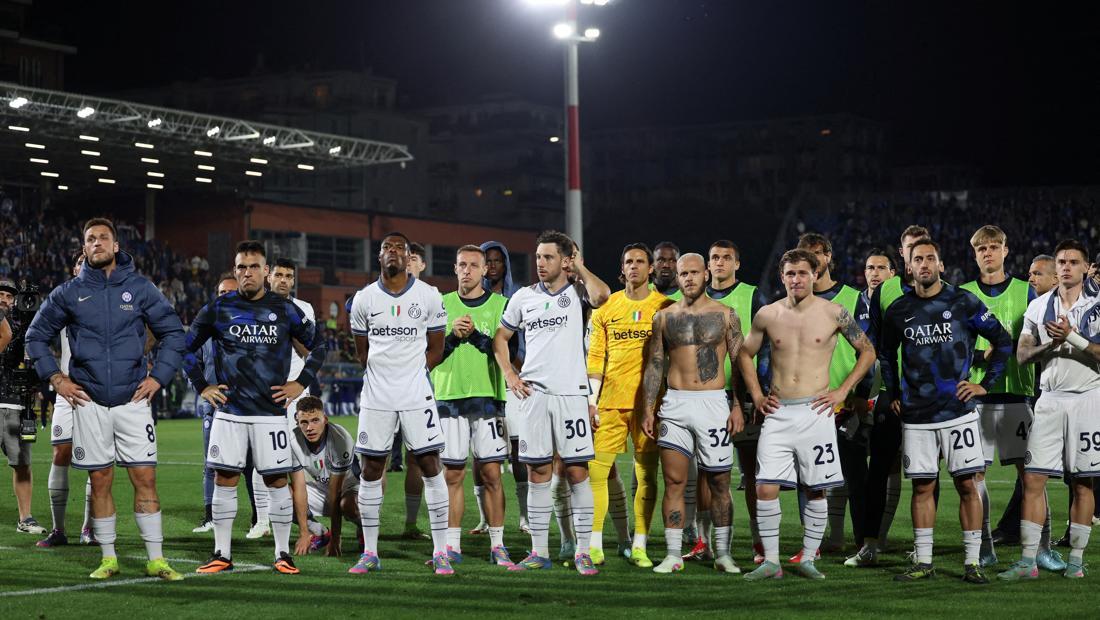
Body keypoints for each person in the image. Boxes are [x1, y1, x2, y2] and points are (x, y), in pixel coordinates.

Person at [25, 217, 186, 581]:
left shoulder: (141, 288)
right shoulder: (68, 292)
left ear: (116, 246)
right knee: (100, 480)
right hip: (89, 401)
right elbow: (35, 337)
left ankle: (157, 559)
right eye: (90, 239)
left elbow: (174, 333)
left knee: (145, 479)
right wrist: (56, 378)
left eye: (103, 237)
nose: (96, 242)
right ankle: (108, 558)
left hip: (133, 400)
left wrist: (158, 377)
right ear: (84, 249)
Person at [184, 240, 326, 576]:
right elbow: (184, 347)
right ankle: (221, 553)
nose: (247, 273)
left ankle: (282, 553)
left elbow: (319, 346)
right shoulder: (219, 308)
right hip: (230, 413)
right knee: (225, 478)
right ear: (236, 271)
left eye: (254, 267)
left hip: (270, 414)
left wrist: (300, 383)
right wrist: (202, 386)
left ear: (265, 271)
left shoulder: (285, 309)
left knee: (276, 481)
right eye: (241, 267)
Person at [880, 237, 1012, 584]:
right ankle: (924, 562)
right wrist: (893, 393)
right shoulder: (898, 310)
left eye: (930, 258)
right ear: (909, 267)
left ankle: (972, 563)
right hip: (917, 417)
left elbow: (1002, 341)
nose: (924, 264)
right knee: (922, 488)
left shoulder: (963, 301)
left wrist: (986, 385)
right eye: (917, 259)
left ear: (940, 265)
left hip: (958, 412)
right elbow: (886, 355)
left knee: (968, 485)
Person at [740, 248, 876, 581]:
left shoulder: (835, 312)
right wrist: (756, 395)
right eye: (790, 273)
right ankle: (771, 562)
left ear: (815, 275)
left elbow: (868, 351)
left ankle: (809, 558)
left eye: (802, 273)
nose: (796, 279)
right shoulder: (768, 314)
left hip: (816, 413)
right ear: (782, 277)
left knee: (816, 489)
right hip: (778, 413)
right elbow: (743, 353)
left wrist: (842, 391)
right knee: (765, 487)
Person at [492, 230, 611, 575]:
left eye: (548, 257)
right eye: (538, 257)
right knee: (538, 471)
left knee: (577, 472)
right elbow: (501, 338)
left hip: (572, 395)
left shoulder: (578, 292)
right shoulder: (523, 297)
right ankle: (539, 551)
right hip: (534, 396)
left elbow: (603, 296)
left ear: (565, 260)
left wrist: (580, 267)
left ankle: (583, 551)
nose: (540, 263)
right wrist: (510, 374)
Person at [346, 233, 452, 575]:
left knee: (430, 465)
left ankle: (441, 552)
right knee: (371, 469)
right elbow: (361, 352)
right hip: (377, 395)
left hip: (416, 393)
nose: (392, 252)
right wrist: (384, 376)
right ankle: (370, 552)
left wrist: (415, 373)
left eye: (399, 248)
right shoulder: (364, 299)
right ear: (379, 256)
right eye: (386, 248)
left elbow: (437, 347)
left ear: (409, 258)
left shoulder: (429, 295)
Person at [960, 226, 1063, 570]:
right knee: (974, 476)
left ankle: (1043, 548)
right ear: (974, 254)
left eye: (994, 247)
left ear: (1005, 250)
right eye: (981, 249)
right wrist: (981, 356)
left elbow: (1042, 341)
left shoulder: (1027, 292)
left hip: (1018, 394)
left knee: (1031, 476)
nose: (988, 253)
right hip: (976, 398)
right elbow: (954, 347)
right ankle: (985, 547)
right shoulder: (963, 294)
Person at [1000, 239, 1100, 581]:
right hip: (1050, 398)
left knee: (1083, 481)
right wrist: (1052, 344)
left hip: (1088, 398)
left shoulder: (1098, 304)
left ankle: (1076, 561)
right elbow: (1023, 356)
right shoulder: (1039, 306)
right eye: (1061, 262)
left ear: (1085, 268)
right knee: (1033, 478)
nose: (1066, 267)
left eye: (1073, 262)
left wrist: (1072, 337)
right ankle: (1028, 561)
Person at [640, 252, 744, 574]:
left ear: (706, 275)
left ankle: (723, 554)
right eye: (683, 274)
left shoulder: (726, 315)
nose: (688, 278)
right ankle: (673, 554)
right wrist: (648, 409)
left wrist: (738, 405)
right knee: (674, 481)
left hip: (714, 403)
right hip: (675, 404)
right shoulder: (664, 317)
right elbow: (655, 364)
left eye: (694, 273)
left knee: (720, 482)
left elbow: (740, 363)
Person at [672, 240, 770, 563]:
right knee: (705, 472)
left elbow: (763, 347)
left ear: (737, 264)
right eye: (714, 257)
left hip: (741, 397)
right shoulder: (690, 299)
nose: (719, 263)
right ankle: (704, 542)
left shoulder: (752, 296)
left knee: (752, 471)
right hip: (702, 398)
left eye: (727, 258)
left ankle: (758, 542)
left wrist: (757, 392)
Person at [848, 225, 930, 567]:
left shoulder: (947, 294)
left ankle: (923, 548)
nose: (917, 257)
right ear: (903, 254)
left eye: (923, 252)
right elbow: (876, 347)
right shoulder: (885, 292)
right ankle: (870, 544)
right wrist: (870, 390)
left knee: (927, 474)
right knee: (878, 468)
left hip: (928, 398)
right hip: (890, 395)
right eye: (911, 250)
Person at [587, 242, 670, 567]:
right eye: (628, 262)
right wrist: (591, 400)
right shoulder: (606, 307)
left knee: (647, 476)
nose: (634, 266)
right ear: (622, 269)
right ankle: (594, 544)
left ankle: (640, 545)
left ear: (651, 268)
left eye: (639, 261)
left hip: (650, 406)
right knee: (597, 472)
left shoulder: (665, 306)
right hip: (610, 402)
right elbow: (596, 358)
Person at [431, 245, 513, 566]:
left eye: (473, 265)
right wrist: (452, 336)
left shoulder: (501, 305)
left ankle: (498, 545)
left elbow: (508, 351)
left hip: (488, 399)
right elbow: (430, 355)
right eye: (461, 265)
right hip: (449, 398)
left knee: (491, 474)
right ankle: (452, 546)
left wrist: (477, 336)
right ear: (455, 269)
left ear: (485, 270)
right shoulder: (441, 305)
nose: (467, 270)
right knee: (452, 474)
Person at [797, 233, 869, 557]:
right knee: (809, 475)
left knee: (855, 475)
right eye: (805, 254)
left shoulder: (853, 298)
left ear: (828, 256)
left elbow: (869, 349)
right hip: (808, 403)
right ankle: (814, 542)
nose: (812, 259)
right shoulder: (796, 299)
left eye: (817, 253)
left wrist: (859, 393)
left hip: (846, 402)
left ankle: (863, 541)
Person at [242, 258, 319, 541]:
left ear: (293, 280)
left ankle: (303, 518)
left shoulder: (304, 309)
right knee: (261, 458)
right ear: (268, 277)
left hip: (296, 395)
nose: (283, 280)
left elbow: (310, 350)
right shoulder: (252, 306)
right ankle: (262, 520)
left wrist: (288, 325)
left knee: (297, 461)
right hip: (263, 394)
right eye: (279, 275)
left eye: (288, 276)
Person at [36, 253, 95, 547]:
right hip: (68, 388)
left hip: (98, 390)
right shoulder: (62, 299)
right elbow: (37, 335)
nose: (85, 264)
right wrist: (55, 376)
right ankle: (58, 530)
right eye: (80, 260)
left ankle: (89, 529)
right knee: (61, 453)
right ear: (74, 268)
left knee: (97, 461)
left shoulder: (110, 299)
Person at [479, 240, 530, 535]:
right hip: (484, 381)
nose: (492, 265)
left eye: (497, 260)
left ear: (505, 264)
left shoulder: (517, 296)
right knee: (483, 454)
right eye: (488, 260)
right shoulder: (473, 296)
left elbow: (521, 339)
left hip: (512, 381)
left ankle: (524, 516)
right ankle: (485, 519)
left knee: (518, 449)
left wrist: (517, 368)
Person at [190, 273, 238, 535]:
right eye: (222, 292)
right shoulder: (205, 328)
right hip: (213, 406)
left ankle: (259, 519)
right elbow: (189, 357)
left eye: (231, 292)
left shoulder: (252, 326)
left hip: (244, 405)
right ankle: (210, 517)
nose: (226, 296)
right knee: (211, 463)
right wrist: (202, 388)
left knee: (251, 465)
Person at [0, 278, 45, 537]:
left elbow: (23, 357)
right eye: (1, 294)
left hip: (14, 401)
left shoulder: (21, 325)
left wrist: (29, 326)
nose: (4, 300)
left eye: (9, 296)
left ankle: (25, 518)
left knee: (22, 463)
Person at [390, 241, 429, 539]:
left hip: (420, 388)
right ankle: (366, 528)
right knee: (375, 459)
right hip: (385, 389)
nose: (410, 262)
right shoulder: (383, 294)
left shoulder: (431, 298)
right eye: (407, 258)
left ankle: (411, 524)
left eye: (414, 258)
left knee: (418, 457)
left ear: (422, 265)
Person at [288, 395, 358, 558]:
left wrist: (336, 539)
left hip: (350, 488)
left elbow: (336, 492)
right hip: (321, 488)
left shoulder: (340, 438)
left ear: (325, 419)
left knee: (348, 505)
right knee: (282, 496)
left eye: (315, 420)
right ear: (297, 422)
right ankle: (319, 532)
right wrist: (304, 533)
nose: (309, 428)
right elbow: (299, 486)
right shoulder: (292, 441)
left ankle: (362, 528)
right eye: (304, 422)